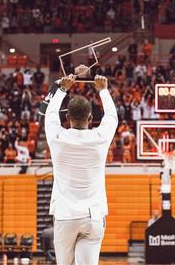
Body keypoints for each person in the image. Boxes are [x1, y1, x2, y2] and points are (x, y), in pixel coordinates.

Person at [45, 74, 117, 265]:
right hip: (93, 216)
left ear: (67, 117)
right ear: (91, 118)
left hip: (64, 216)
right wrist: (103, 90)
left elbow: (50, 113)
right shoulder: (100, 138)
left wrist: (62, 89)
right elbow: (112, 116)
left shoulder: (57, 137)